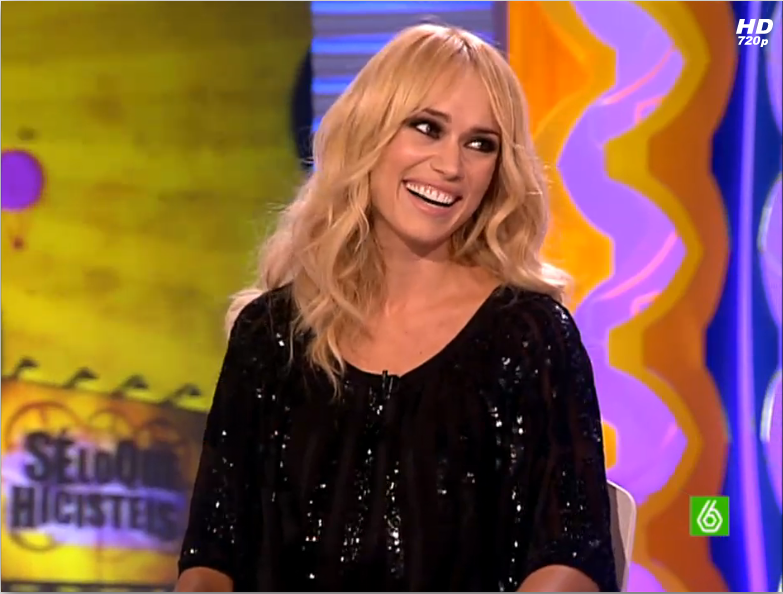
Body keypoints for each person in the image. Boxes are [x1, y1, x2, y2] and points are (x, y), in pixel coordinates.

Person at [175, 23, 619, 593]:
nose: (450, 166)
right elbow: (213, 554)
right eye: (427, 128)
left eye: (480, 144)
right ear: (372, 131)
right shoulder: (272, 334)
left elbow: (572, 555)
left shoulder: (530, 337)